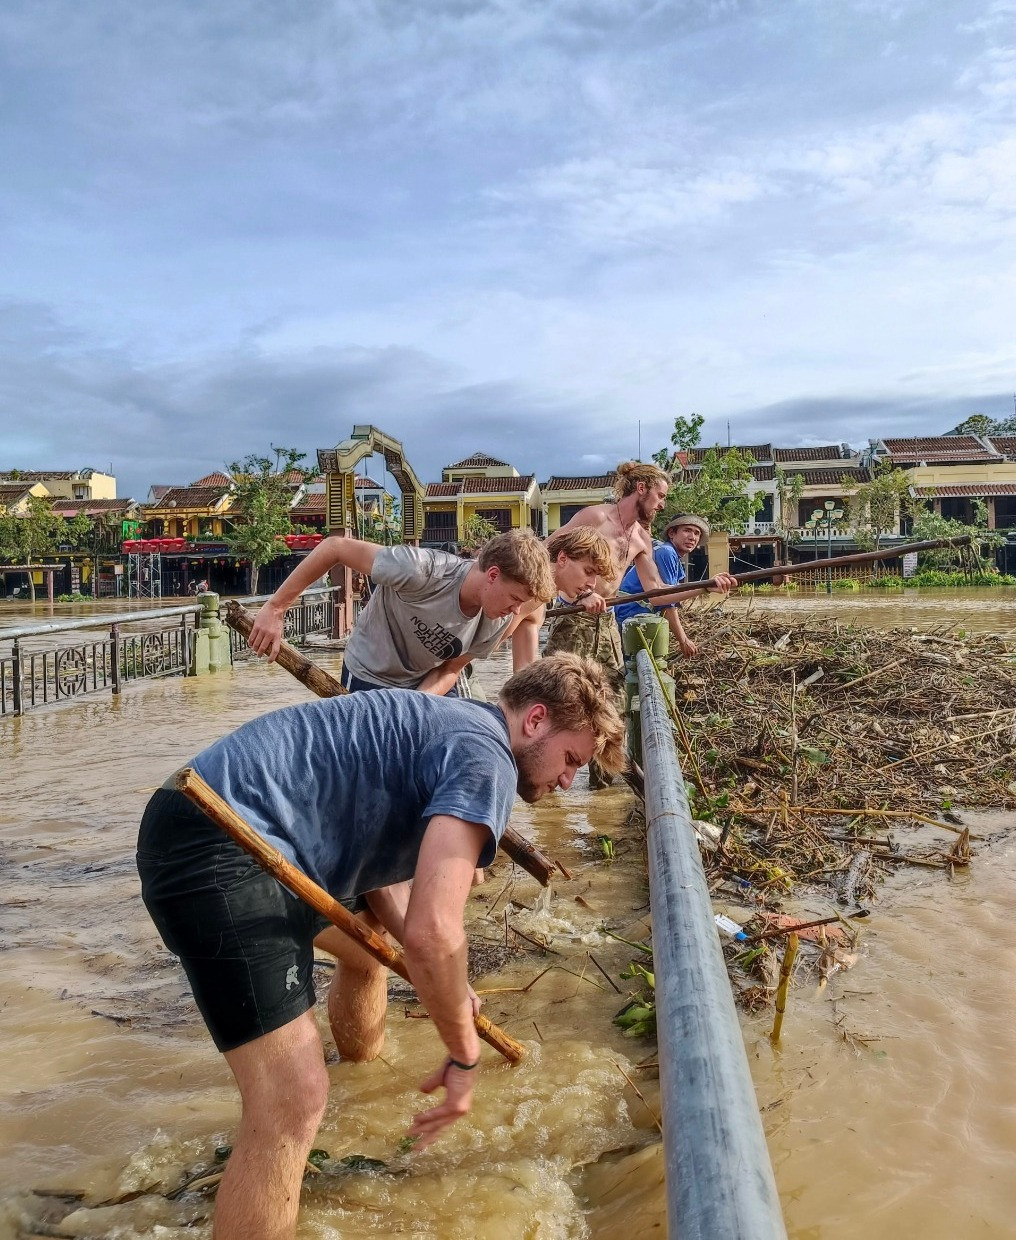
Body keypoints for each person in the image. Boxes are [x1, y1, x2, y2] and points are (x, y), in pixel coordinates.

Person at [137, 654, 626, 1240]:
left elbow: (386, 890)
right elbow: (434, 931)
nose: (569, 782)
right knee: (292, 1098)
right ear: (536, 720)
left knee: (368, 950)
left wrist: (444, 984)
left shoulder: (455, 727)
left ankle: (357, 1086)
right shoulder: (487, 757)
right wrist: (462, 1052)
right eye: (571, 760)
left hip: (226, 827)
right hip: (219, 838)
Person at [509, 461, 673, 787]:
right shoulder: (596, 517)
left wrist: (708, 586)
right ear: (641, 489)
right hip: (573, 618)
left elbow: (657, 593)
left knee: (612, 706)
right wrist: (578, 593)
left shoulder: (641, 537)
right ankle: (540, 783)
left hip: (606, 622)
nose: (662, 504)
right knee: (558, 701)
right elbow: (548, 553)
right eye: (660, 495)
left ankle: (602, 789)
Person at [247, 528, 557, 697]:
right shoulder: (419, 570)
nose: (516, 611)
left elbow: (450, 670)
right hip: (371, 673)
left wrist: (415, 707)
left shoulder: (497, 620)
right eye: (515, 598)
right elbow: (335, 547)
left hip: (423, 683)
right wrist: (275, 608)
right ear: (493, 575)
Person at [613, 514, 738, 657]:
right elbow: (666, 602)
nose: (692, 537)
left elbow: (674, 593)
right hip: (630, 615)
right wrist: (683, 640)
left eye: (697, 533)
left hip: (635, 615)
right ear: (672, 533)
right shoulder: (666, 552)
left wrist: (707, 585)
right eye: (687, 530)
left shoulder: (671, 555)